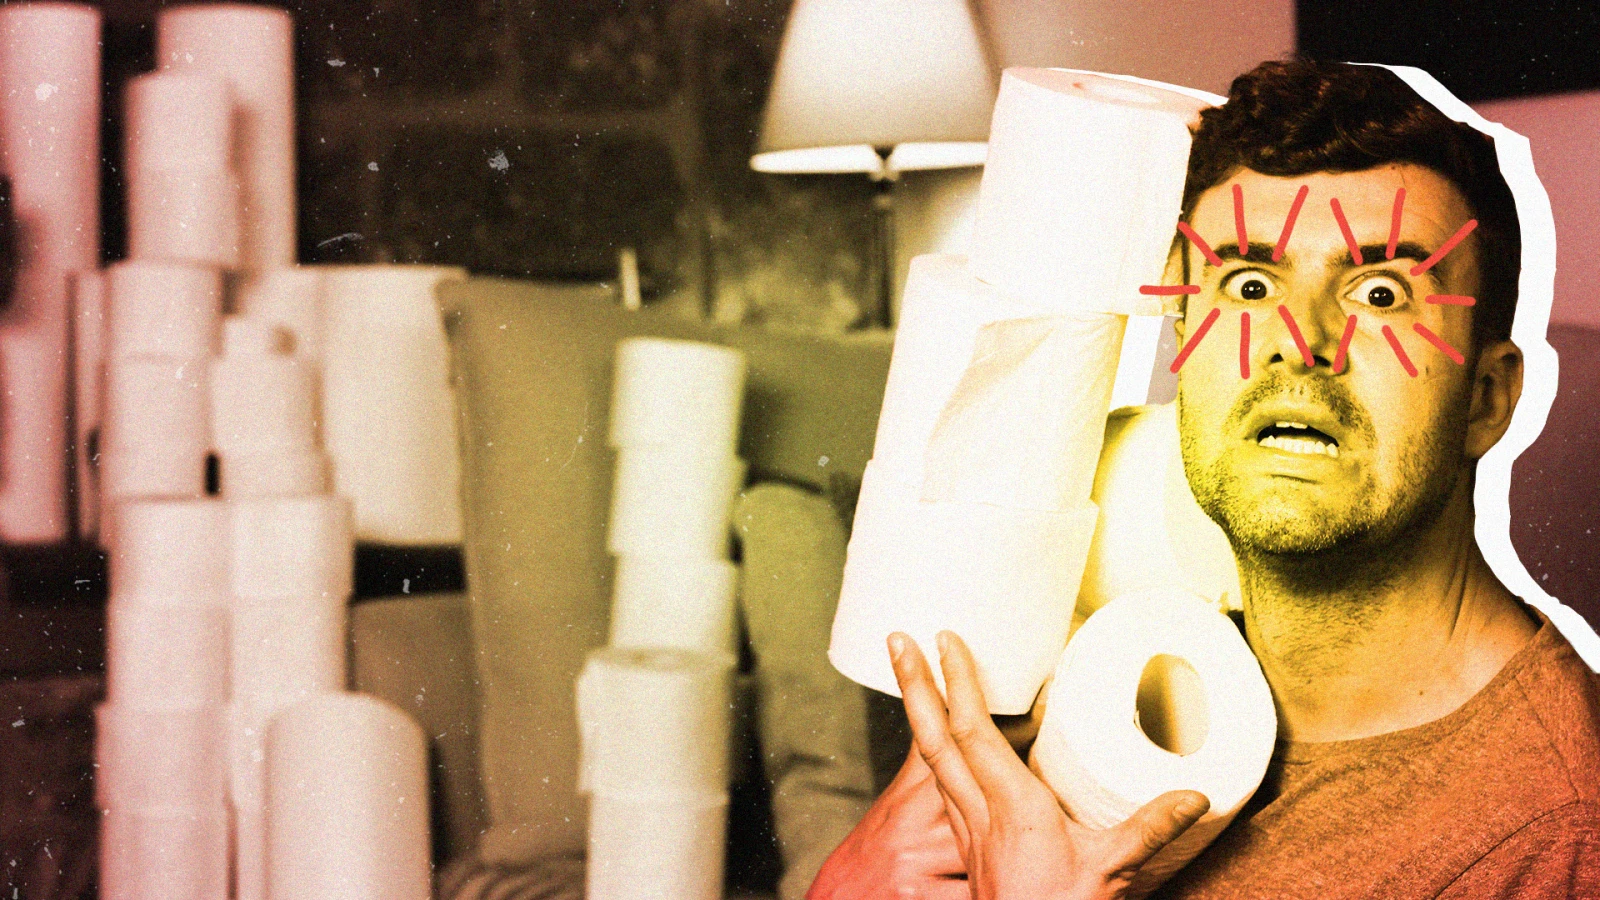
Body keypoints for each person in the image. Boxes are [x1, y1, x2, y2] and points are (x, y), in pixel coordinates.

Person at [808, 59, 1600, 899]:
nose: (1298, 343)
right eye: (1249, 285)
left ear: (1486, 398)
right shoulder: (1129, 663)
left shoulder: (1551, 833)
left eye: (1379, 294)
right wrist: (846, 884)